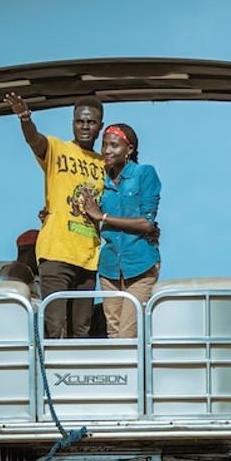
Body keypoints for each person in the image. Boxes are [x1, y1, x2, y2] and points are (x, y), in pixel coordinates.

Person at [4, 93, 106, 338]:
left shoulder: (104, 164)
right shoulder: (58, 149)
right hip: (57, 252)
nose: (85, 126)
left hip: (88, 257)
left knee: (82, 330)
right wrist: (25, 117)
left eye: (91, 122)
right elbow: (34, 140)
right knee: (56, 327)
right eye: (80, 121)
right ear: (73, 123)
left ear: (100, 126)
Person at [81, 123, 161, 339]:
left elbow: (147, 223)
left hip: (140, 265)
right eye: (104, 145)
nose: (107, 150)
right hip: (109, 268)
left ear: (129, 149)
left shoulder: (144, 173)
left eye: (114, 145)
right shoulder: (100, 179)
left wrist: (103, 217)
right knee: (113, 333)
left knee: (128, 333)